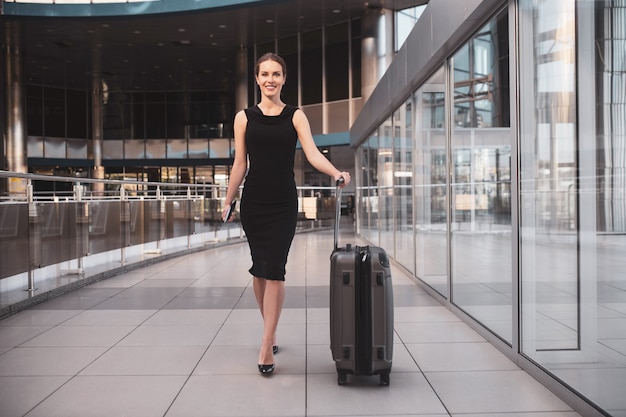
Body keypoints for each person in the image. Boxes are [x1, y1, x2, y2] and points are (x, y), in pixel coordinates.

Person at [222, 52, 350, 375]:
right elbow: (240, 164)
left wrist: (336, 172)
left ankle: (266, 345)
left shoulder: (296, 116)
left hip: (282, 203)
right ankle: (271, 328)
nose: (270, 79)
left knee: (275, 268)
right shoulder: (243, 118)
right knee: (259, 270)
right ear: (257, 79)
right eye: (264, 74)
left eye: (276, 74)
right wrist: (227, 199)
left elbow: (311, 154)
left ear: (284, 79)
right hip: (253, 203)